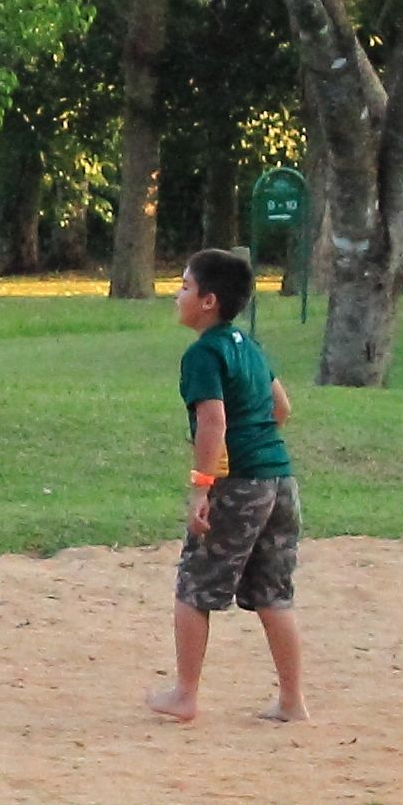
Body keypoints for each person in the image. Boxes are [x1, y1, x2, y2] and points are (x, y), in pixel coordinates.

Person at [145, 247, 309, 725]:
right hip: (280, 479)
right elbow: (281, 408)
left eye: (185, 287)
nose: (178, 296)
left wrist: (202, 487)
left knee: (195, 584)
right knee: (272, 590)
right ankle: (291, 701)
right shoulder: (249, 345)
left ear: (209, 300)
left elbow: (212, 421)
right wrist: (257, 441)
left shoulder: (204, 353)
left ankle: (185, 694)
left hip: (238, 484)